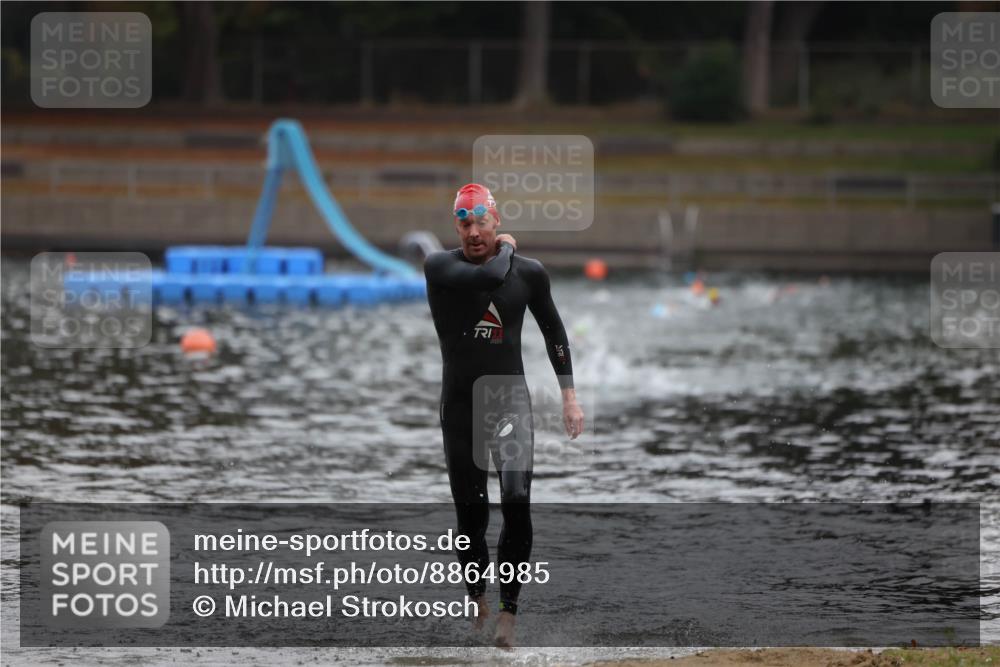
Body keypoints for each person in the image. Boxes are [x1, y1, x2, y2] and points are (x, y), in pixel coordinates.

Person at [424, 183, 585, 648]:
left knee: (516, 500)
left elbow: (554, 331)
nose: (473, 232)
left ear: (496, 219)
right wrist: (510, 246)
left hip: (508, 400)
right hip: (459, 407)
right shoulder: (441, 267)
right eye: (464, 223)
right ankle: (478, 597)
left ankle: (508, 618)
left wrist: (569, 396)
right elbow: (491, 277)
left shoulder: (530, 275)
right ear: (457, 226)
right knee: (472, 516)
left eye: (482, 222)